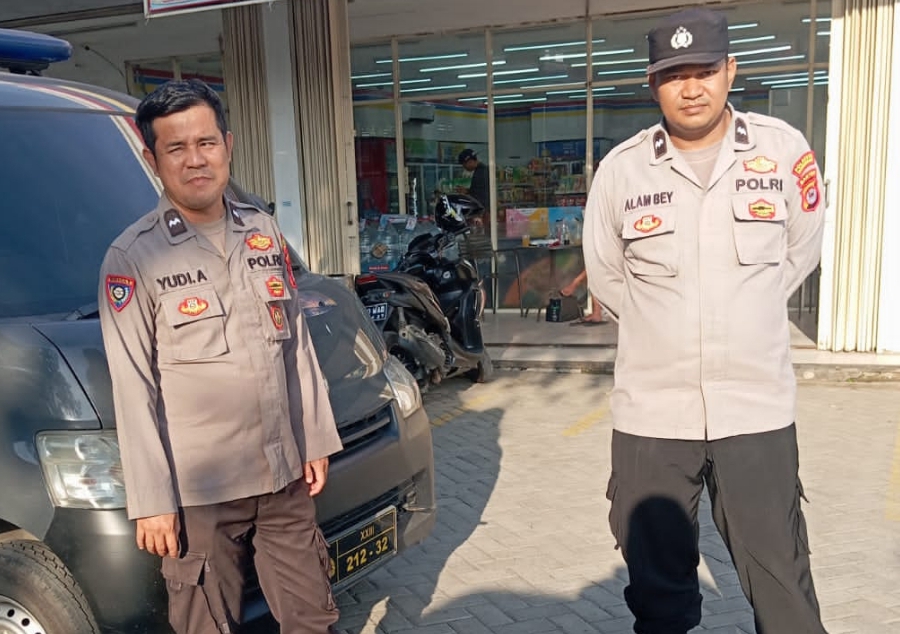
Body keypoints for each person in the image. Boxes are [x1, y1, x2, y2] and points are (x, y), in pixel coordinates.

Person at [582, 8, 826, 634]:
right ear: (652, 83)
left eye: (704, 71)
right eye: (674, 75)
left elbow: (798, 253)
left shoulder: (781, 152)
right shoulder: (623, 170)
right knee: (659, 599)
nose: (691, 88)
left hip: (755, 411)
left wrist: (745, 309)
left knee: (783, 587)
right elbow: (608, 278)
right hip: (653, 417)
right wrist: (664, 325)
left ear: (730, 71)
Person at [98, 79, 342, 634]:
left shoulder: (262, 230)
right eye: (176, 148)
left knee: (313, 618)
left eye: (205, 142)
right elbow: (132, 386)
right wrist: (152, 500)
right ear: (152, 160)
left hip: (282, 476)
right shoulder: (133, 256)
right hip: (200, 493)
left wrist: (314, 438)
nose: (195, 160)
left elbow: (295, 342)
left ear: (227, 145)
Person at [458, 148, 490, 227]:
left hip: (483, 211)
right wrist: (467, 191)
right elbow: (479, 190)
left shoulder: (482, 172)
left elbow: (481, 195)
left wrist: (466, 194)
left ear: (470, 161)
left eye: (464, 165)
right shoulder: (480, 170)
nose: (464, 167)